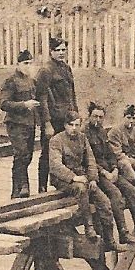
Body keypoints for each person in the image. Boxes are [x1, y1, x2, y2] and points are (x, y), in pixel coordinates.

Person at [46, 112, 124, 251]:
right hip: (63, 180)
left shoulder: (82, 138)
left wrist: (93, 178)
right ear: (65, 125)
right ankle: (89, 227)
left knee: (105, 202)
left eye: (77, 125)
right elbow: (55, 165)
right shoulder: (56, 140)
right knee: (81, 189)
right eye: (71, 125)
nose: (74, 128)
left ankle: (110, 241)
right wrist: (73, 177)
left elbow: (91, 160)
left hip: (83, 178)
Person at [85, 102, 135, 241]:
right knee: (116, 195)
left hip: (110, 171)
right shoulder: (84, 134)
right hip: (96, 174)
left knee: (132, 190)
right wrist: (104, 172)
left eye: (101, 117)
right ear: (89, 116)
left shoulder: (102, 132)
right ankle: (123, 233)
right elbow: (88, 161)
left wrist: (114, 169)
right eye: (95, 116)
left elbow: (110, 154)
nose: (97, 120)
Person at [0, 48, 43, 198]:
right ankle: (23, 187)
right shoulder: (10, 81)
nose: (28, 66)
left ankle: (16, 189)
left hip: (29, 124)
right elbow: (4, 103)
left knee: (28, 155)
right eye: (25, 63)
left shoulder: (32, 81)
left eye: (30, 63)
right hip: (16, 124)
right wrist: (24, 105)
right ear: (18, 64)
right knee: (21, 154)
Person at [37, 36, 78, 192]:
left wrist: (76, 115)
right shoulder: (46, 71)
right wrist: (46, 123)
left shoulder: (66, 68)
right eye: (58, 50)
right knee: (48, 152)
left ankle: (61, 183)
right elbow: (42, 98)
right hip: (53, 120)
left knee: (67, 151)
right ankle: (42, 187)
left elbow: (72, 94)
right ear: (51, 52)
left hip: (67, 119)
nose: (61, 53)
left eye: (63, 50)